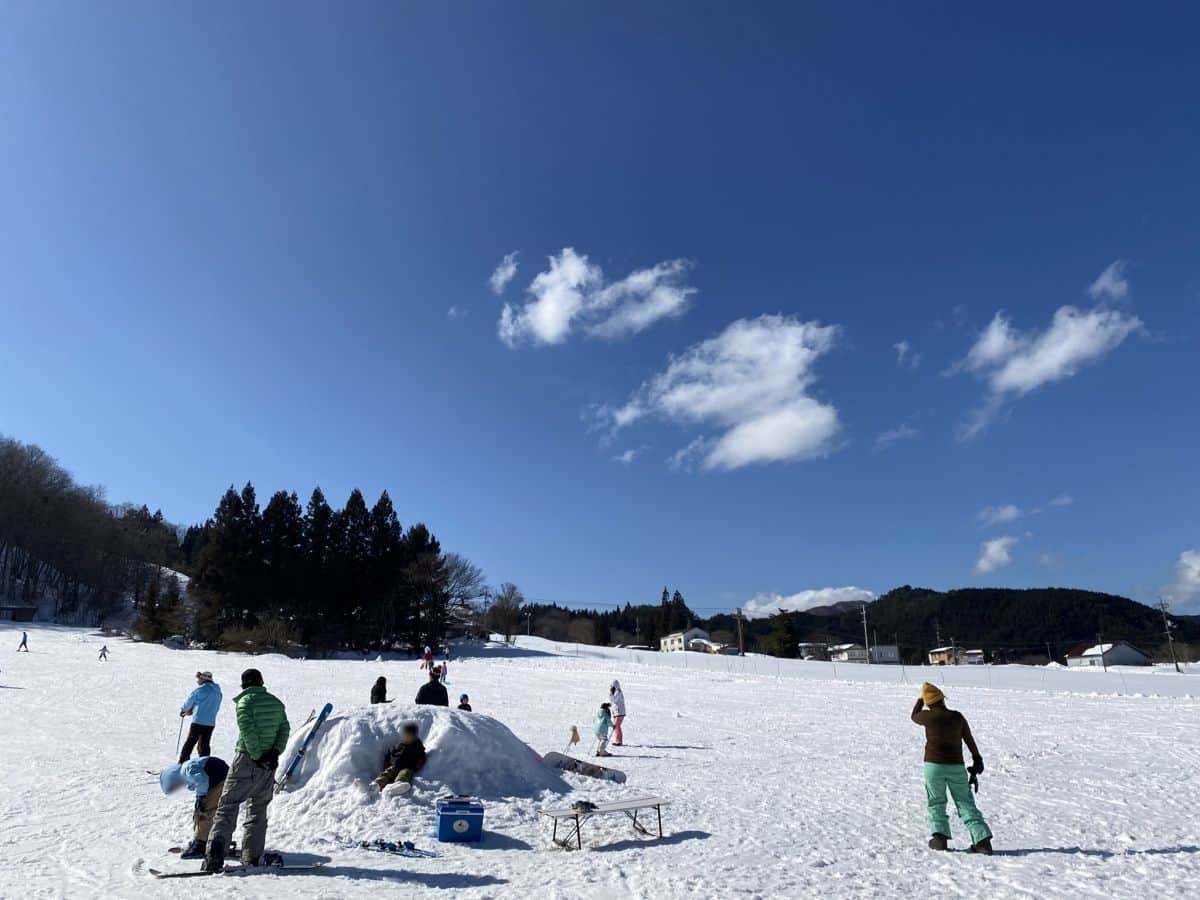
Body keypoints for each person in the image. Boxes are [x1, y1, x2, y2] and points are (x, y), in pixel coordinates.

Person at [204, 668, 290, 872]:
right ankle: (251, 856)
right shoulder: (276, 703)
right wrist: (274, 753)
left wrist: (258, 755)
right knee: (258, 809)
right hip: (268, 764)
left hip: (246, 760)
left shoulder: (244, 703)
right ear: (261, 682)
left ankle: (215, 856)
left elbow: (248, 732)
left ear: (244, 684)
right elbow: (284, 729)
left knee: (227, 805)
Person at [911, 682, 993, 855]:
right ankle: (982, 841)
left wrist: (920, 699)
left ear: (928, 702)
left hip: (933, 766)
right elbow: (969, 739)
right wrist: (977, 759)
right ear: (942, 699)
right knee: (965, 802)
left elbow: (914, 716)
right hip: (956, 766)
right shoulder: (957, 717)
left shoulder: (928, 716)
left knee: (936, 801)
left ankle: (940, 838)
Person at [159, 756, 230, 859]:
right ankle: (202, 839)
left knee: (205, 812)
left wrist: (200, 797)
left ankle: (201, 844)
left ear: (173, 779)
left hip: (219, 781)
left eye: (174, 786)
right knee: (200, 811)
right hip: (217, 780)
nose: (177, 788)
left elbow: (203, 780)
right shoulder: (186, 770)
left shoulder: (187, 769)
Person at [372, 722, 427, 796]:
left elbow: (422, 757)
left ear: (414, 737)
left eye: (409, 736)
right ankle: (375, 785)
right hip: (394, 766)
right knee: (386, 774)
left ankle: (399, 785)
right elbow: (389, 753)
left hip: (407, 767)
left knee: (404, 774)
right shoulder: (398, 745)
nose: (406, 738)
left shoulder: (417, 747)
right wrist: (387, 763)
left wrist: (417, 765)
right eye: (405, 736)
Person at [179, 671, 222, 763]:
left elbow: (189, 702)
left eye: (199, 678)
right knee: (204, 745)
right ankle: (205, 765)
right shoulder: (218, 691)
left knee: (190, 743)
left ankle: (182, 764)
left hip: (198, 721)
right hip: (210, 722)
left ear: (203, 679)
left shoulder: (200, 690)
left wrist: (183, 710)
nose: (198, 680)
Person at [608, 680, 626, 746]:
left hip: (619, 713)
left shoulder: (618, 692)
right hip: (617, 713)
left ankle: (619, 741)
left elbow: (613, 700)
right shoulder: (616, 692)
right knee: (616, 727)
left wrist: (611, 694)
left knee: (616, 726)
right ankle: (618, 740)